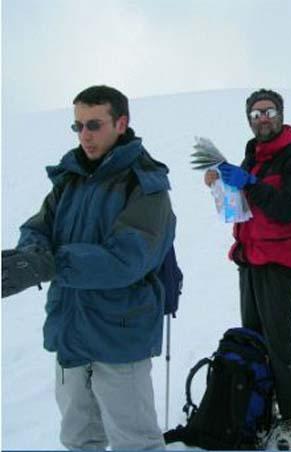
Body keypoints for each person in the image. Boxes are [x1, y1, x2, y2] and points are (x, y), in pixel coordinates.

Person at [1, 85, 175, 450]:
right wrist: (31, 257)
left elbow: (126, 260)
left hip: (119, 334)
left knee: (135, 442)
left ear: (121, 123)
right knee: (79, 438)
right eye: (77, 126)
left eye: (94, 125)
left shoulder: (145, 185)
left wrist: (48, 263)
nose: (85, 135)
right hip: (70, 330)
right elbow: (37, 228)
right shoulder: (71, 178)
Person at [204, 89, 291, 450]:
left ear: (281, 114)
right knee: (254, 337)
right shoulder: (252, 156)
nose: (262, 119)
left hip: (280, 262)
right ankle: (259, 405)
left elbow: (289, 210)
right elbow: (243, 207)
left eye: (268, 111)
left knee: (278, 339)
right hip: (250, 258)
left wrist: (250, 184)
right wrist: (222, 184)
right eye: (255, 114)